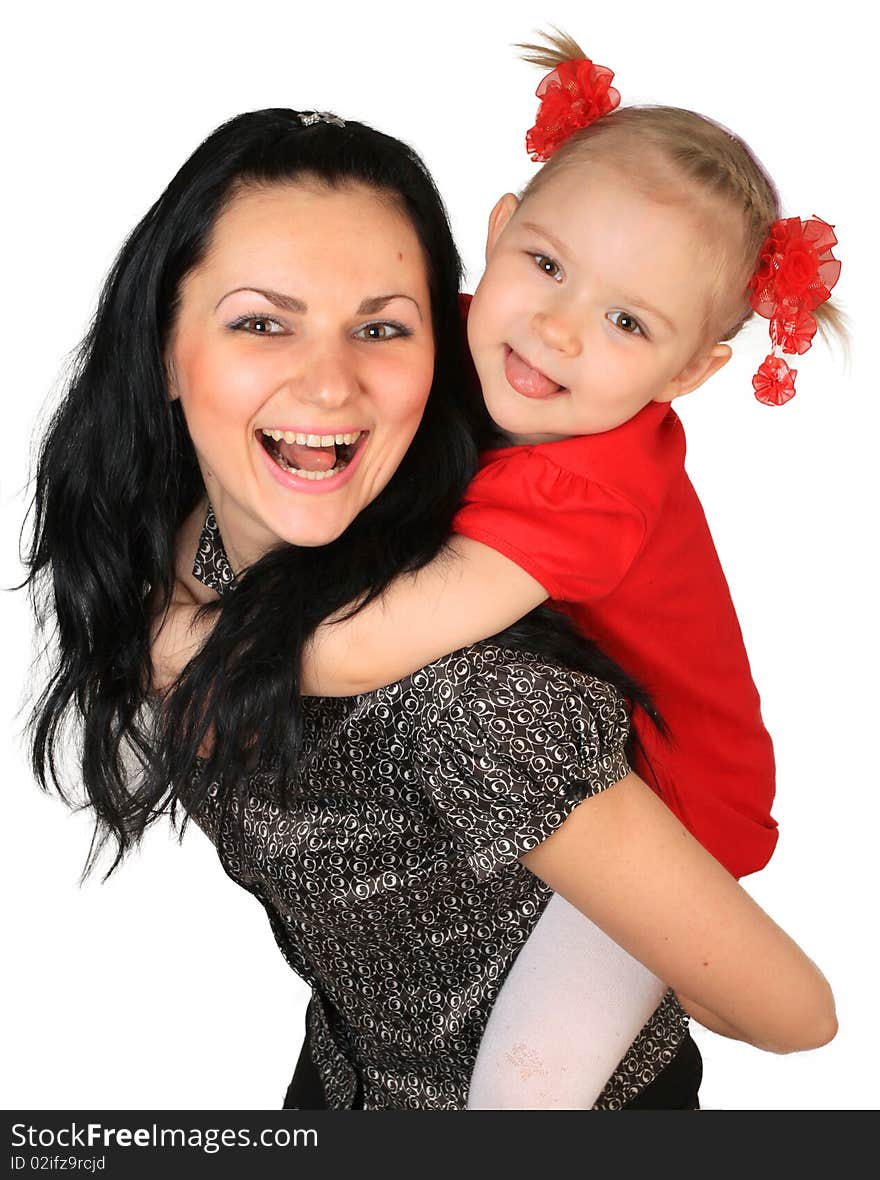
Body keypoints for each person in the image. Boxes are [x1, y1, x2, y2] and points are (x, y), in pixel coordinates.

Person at [25, 107, 835, 1112]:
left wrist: (185, 640)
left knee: (524, 1089)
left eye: (629, 322)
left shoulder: (580, 504)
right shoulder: (443, 344)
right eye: (545, 266)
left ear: (686, 372)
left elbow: (369, 649)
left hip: (682, 801)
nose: (557, 328)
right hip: (351, 1067)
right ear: (499, 233)